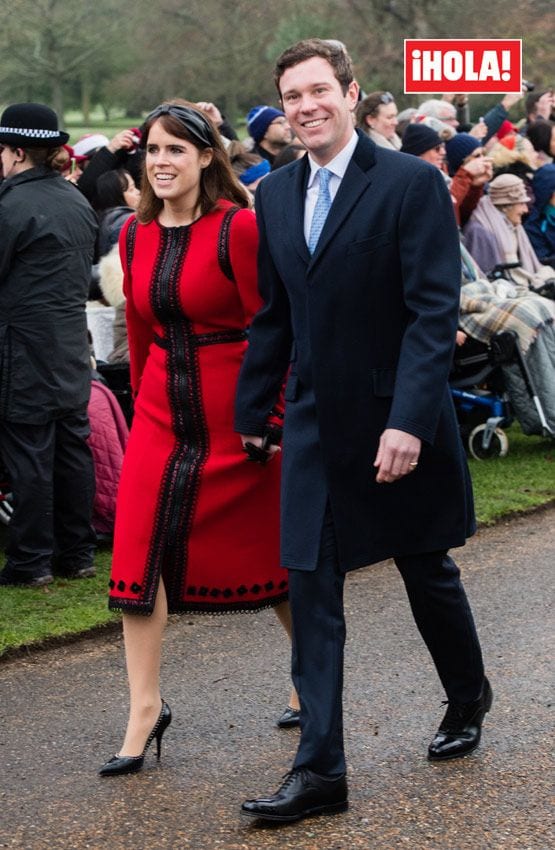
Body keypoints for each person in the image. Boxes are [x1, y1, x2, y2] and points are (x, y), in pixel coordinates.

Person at [234, 38, 491, 824]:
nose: (305, 106)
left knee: (424, 570)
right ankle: (320, 772)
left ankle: (466, 694)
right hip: (315, 425)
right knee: (309, 586)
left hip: (395, 419)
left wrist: (408, 420)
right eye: (292, 96)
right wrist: (252, 413)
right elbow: (277, 314)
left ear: (350, 94)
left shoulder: (410, 182)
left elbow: (429, 311)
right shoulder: (273, 195)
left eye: (318, 90)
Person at [99, 99, 300, 778]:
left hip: (236, 415)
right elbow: (140, 332)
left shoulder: (238, 230)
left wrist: (270, 419)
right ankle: (144, 708)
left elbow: (274, 329)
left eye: (176, 150)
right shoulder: (132, 235)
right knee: (136, 550)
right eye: (152, 150)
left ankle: (311, 672)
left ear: (206, 158)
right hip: (160, 412)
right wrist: (135, 409)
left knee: (271, 558)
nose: (160, 162)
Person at [0, 103, 98, 587]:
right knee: (71, 448)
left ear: (18, 153)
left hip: (24, 347)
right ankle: (76, 553)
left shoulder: (9, 205)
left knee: (31, 453)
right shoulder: (75, 199)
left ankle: (30, 561)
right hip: (69, 343)